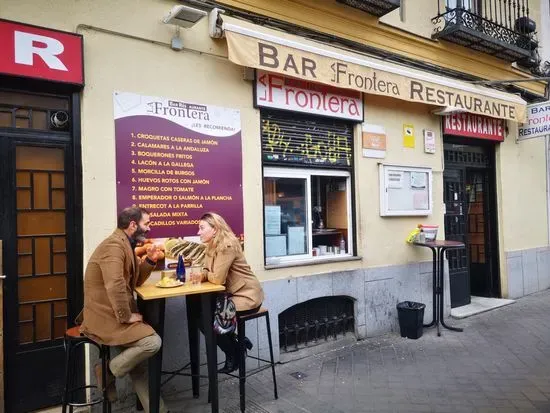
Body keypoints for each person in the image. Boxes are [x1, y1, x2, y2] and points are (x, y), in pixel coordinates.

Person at [79, 207, 168, 413]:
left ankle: (160, 410)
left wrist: (150, 260)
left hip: (114, 314)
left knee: (138, 368)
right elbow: (115, 285)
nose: (149, 227)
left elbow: (134, 281)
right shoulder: (113, 246)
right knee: (152, 342)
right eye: (147, 223)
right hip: (106, 317)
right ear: (133, 225)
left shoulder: (125, 244)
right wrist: (126, 316)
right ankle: (108, 370)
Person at [197, 212, 264, 373]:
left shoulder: (227, 245)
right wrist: (205, 274)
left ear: (214, 229)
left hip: (247, 295)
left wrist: (205, 275)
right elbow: (206, 270)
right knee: (203, 319)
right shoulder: (211, 246)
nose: (198, 232)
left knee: (210, 321)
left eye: (201, 228)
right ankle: (237, 347)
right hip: (231, 296)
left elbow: (217, 279)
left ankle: (233, 353)